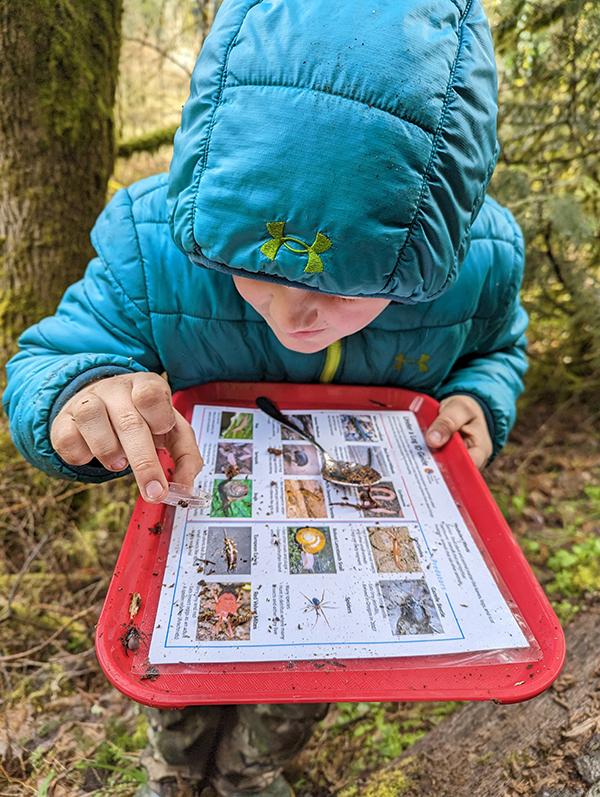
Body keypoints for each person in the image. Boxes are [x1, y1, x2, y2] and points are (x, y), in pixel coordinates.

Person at [2, 0, 529, 794]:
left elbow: (497, 346)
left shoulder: (479, 261)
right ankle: (174, 771)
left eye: (345, 288)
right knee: (179, 679)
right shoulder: (155, 242)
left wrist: (479, 399)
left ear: (430, 253)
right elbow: (60, 351)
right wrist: (80, 392)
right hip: (190, 528)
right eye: (261, 270)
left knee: (304, 674)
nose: (293, 318)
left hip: (351, 567)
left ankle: (252, 770)